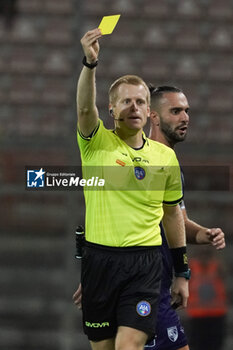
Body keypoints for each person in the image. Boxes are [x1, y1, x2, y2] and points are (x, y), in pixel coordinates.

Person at [75, 28, 189, 350]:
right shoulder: (96, 144)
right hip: (99, 261)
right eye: (126, 101)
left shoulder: (165, 157)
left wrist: (182, 271)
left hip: (145, 264)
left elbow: (171, 214)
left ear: (147, 109)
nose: (134, 107)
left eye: (140, 101)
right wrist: (90, 63)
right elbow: (84, 110)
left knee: (129, 347)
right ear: (111, 109)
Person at [146, 85, 226, 350]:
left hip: (159, 283)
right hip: (140, 282)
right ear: (153, 116)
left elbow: (177, 221)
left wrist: (203, 233)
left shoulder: (170, 164)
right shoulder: (140, 162)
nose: (185, 117)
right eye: (176, 111)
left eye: (186, 111)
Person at [187, 246, 227, 350]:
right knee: (198, 344)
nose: (204, 258)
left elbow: (224, 274)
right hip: (197, 314)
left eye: (207, 255)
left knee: (215, 344)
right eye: (202, 254)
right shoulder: (191, 267)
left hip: (216, 313)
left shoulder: (218, 266)